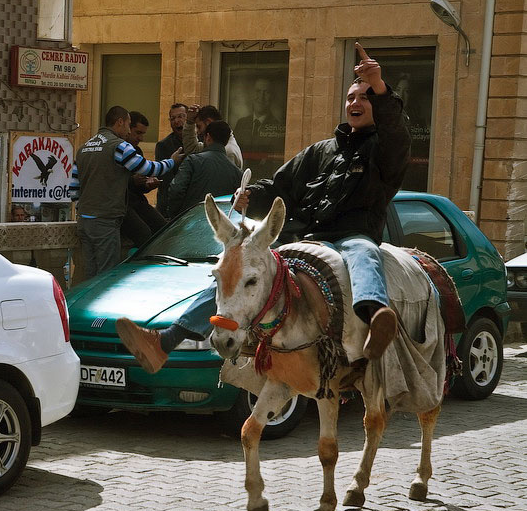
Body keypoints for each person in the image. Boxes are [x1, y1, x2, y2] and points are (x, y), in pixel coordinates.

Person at [118, 43, 411, 373]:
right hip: (308, 238)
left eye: (366, 97)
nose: (356, 102)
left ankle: (376, 320)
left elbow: (396, 134)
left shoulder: (386, 150)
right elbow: (279, 185)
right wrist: (250, 196)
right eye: (351, 97)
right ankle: (165, 342)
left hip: (354, 235)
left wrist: (381, 87)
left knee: (364, 253)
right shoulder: (321, 151)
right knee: (242, 269)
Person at [69, 106, 184, 279]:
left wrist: (82, 210)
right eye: (128, 125)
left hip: (85, 220)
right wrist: (171, 162)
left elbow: (73, 189)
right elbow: (147, 168)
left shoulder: (84, 147)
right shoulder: (118, 146)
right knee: (105, 277)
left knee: (90, 275)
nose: (128, 130)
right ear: (120, 122)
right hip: (105, 220)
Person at [168, 120, 242, 216]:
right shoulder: (237, 172)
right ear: (227, 140)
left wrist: (175, 215)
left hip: (190, 221)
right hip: (219, 223)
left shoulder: (192, 161)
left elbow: (176, 189)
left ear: (208, 137)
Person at [121, 111, 168, 246]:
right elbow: (112, 181)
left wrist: (147, 184)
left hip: (137, 202)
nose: (140, 138)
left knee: (164, 228)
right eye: (138, 133)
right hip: (123, 205)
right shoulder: (118, 149)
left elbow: (139, 185)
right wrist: (132, 181)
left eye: (143, 134)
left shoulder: (137, 151)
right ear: (128, 128)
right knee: (143, 234)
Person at [233, 77, 285, 180]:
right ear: (252, 94)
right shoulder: (241, 123)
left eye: (266, 92)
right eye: (258, 91)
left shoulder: (278, 127)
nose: (261, 97)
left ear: (272, 97)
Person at [182, 105, 243, 170]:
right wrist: (189, 123)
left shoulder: (228, 152)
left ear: (208, 122)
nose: (198, 132)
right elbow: (192, 150)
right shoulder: (216, 145)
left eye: (199, 126)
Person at [154, 103, 188, 217]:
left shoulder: (200, 142)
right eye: (172, 118)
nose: (176, 121)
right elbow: (164, 180)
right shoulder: (163, 145)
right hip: (170, 204)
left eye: (181, 116)